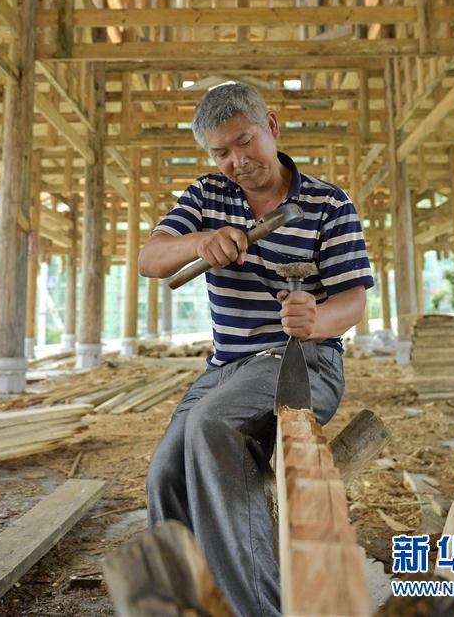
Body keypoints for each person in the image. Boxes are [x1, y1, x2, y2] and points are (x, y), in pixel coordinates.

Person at [138, 81, 373, 617]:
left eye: (245, 142)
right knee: (166, 474)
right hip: (224, 368)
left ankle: (259, 610)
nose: (238, 161)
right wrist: (199, 242)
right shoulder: (205, 196)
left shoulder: (327, 203)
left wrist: (316, 320)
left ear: (271, 126)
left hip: (303, 362)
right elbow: (151, 258)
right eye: (221, 152)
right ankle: (186, 605)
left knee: (213, 427)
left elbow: (354, 300)